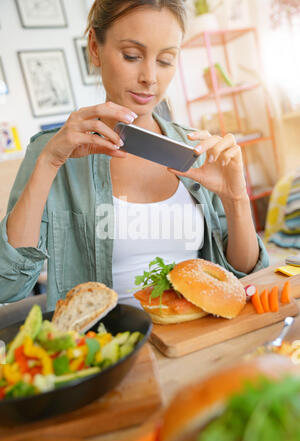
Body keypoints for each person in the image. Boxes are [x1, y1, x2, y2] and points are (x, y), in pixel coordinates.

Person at [0, 0, 269, 312]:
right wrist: (48, 163)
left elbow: (245, 274)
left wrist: (236, 199)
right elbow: (8, 285)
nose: (150, 77)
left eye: (166, 60)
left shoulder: (193, 149)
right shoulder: (53, 152)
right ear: (95, 47)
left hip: (198, 341)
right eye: (132, 55)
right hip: (111, 348)